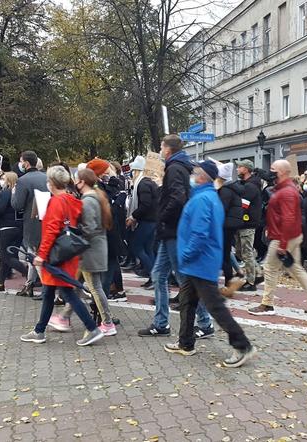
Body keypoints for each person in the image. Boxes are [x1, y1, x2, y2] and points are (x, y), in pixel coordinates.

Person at [164, 161, 256, 367]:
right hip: (198, 262)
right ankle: (186, 343)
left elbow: (199, 233)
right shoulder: (207, 196)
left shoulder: (202, 199)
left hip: (199, 261)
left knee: (215, 306)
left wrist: (186, 255)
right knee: (187, 302)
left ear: (202, 176)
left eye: (196, 172)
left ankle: (243, 346)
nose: (193, 174)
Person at [138, 134, 213, 338]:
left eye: (162, 147)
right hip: (171, 230)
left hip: (173, 230)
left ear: (168, 149)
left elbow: (178, 197)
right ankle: (161, 323)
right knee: (159, 275)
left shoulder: (174, 168)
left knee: (184, 279)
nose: (161, 150)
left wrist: (162, 216)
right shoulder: (181, 166)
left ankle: (205, 323)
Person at [20, 165, 104, 346]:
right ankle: (39, 330)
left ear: (51, 183)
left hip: (55, 255)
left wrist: (41, 255)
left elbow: (51, 230)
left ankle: (92, 328)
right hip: (68, 252)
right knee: (49, 292)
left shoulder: (56, 202)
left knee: (67, 292)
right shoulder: (72, 200)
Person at [247, 160, 307, 317]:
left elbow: (289, 219)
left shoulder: (286, 192)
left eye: (273, 169)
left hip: (283, 237)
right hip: (288, 235)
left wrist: (282, 243)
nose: (270, 171)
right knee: (295, 268)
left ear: (283, 172)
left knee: (270, 268)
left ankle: (267, 304)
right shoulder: (285, 190)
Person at [49, 169, 117, 336]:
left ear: (82, 182)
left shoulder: (88, 201)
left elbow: (90, 228)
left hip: (90, 250)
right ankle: (64, 317)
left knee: (93, 287)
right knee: (76, 285)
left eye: (77, 180)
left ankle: (107, 323)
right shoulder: (96, 196)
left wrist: (74, 231)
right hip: (92, 249)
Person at [86, 159, 127, 300]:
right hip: (106, 234)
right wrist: (120, 199)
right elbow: (109, 211)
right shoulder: (97, 189)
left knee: (107, 271)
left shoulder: (99, 186)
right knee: (105, 275)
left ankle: (99, 305)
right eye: (106, 169)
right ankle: (100, 308)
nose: (108, 172)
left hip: (105, 235)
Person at [11, 151, 48, 298]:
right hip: (46, 220)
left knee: (33, 254)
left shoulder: (23, 180)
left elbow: (17, 205)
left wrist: (13, 193)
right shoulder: (46, 178)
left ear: (25, 163)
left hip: (31, 222)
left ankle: (46, 288)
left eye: (21, 161)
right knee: (36, 254)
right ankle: (29, 283)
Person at [0, 172, 28, 291]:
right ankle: (0, 283)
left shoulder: (7, 192)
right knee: (4, 256)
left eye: (3, 178)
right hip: (18, 227)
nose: (2, 180)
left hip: (6, 227)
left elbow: (0, 210)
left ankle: (28, 273)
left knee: (6, 256)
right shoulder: (19, 193)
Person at [125, 155, 158, 290]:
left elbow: (145, 204)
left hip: (146, 221)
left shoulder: (142, 184)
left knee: (137, 247)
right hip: (152, 221)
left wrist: (133, 216)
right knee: (148, 249)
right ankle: (154, 277)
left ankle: (154, 277)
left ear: (136, 170)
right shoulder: (148, 183)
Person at [214, 161, 246, 297]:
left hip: (225, 226)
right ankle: (229, 282)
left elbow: (221, 209)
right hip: (229, 226)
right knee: (225, 255)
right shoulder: (231, 189)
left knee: (223, 256)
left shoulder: (226, 191)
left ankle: (229, 284)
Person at [234, 159, 263, 291]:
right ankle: (258, 272)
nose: (237, 169)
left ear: (246, 169)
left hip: (248, 223)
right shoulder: (247, 184)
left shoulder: (250, 186)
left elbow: (243, 205)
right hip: (243, 223)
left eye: (239, 167)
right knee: (241, 252)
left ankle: (251, 282)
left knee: (246, 252)